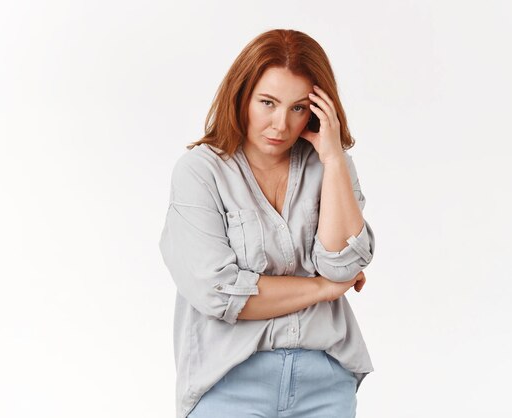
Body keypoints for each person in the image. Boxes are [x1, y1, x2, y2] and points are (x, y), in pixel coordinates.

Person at [158, 29, 375, 418]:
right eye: (268, 103)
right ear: (241, 95)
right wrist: (324, 288)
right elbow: (221, 293)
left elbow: (344, 263)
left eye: (297, 107)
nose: (280, 124)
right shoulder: (200, 173)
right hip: (228, 382)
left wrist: (334, 159)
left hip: (324, 382)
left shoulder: (327, 165)